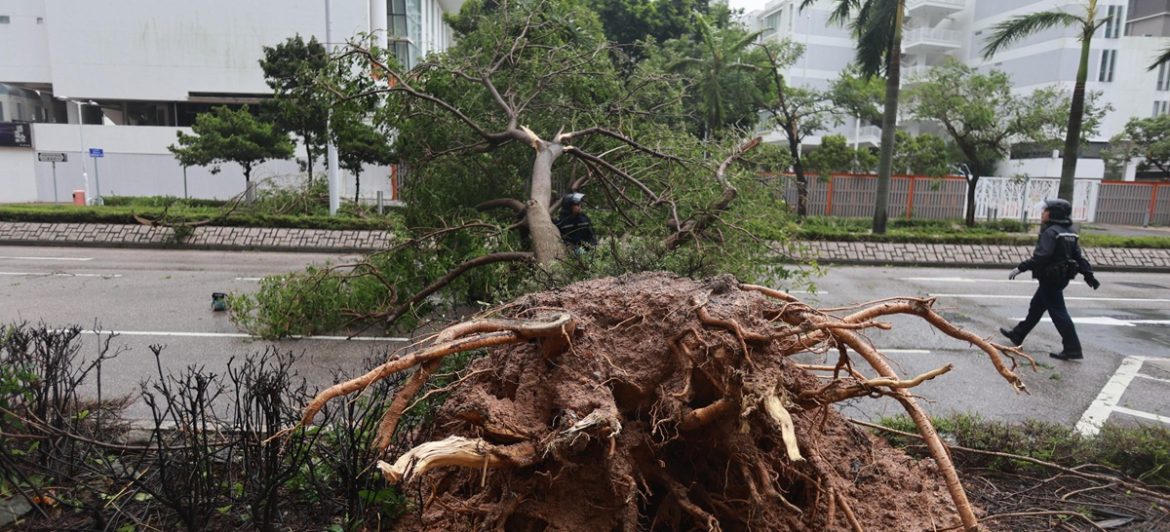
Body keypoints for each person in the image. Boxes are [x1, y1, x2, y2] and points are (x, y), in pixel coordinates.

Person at [1000, 198, 1101, 361]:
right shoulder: (1070, 232)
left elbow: (1042, 256)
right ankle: (1018, 334)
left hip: (1050, 278)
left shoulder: (1051, 232)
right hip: (1060, 277)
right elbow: (1078, 257)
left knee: (1059, 312)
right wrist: (1088, 274)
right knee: (1036, 306)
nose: (1043, 213)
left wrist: (1021, 268)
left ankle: (1073, 348)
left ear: (1054, 213)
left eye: (1045, 210)